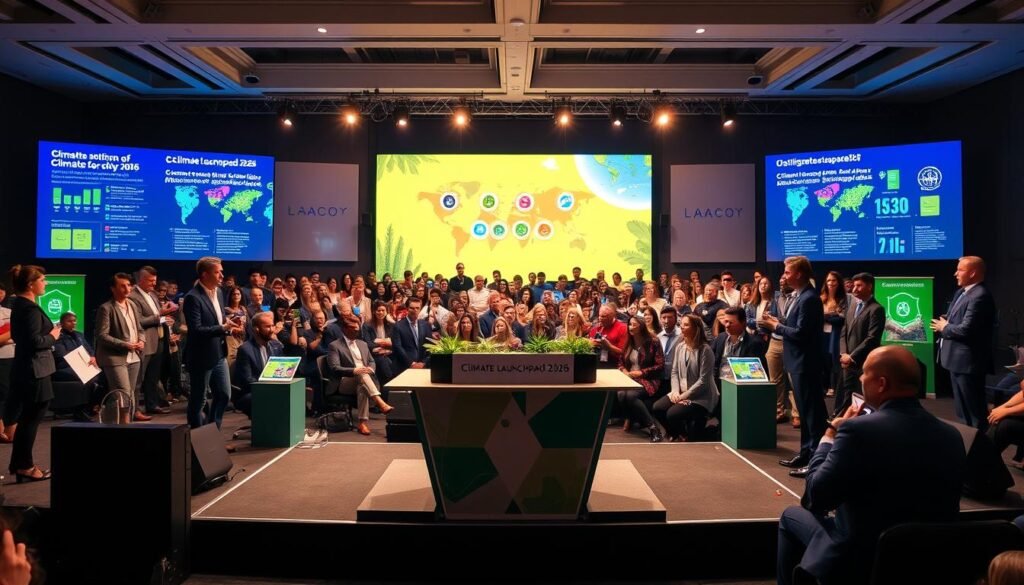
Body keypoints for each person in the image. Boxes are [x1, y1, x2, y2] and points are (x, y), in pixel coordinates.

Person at [776, 346, 966, 585]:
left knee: (790, 516)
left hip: (861, 556)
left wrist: (830, 435)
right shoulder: (952, 435)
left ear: (882, 383)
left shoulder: (856, 430)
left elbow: (815, 497)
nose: (860, 378)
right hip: (931, 559)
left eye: (864, 373)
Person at [762, 255, 827, 478]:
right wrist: (778, 323)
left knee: (812, 415)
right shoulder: (798, 296)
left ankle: (816, 461)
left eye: (788, 272)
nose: (784, 276)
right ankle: (806, 453)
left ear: (799, 274)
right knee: (807, 412)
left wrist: (776, 326)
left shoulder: (809, 298)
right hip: (796, 362)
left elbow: (801, 333)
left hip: (805, 363)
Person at [6, 265, 60, 482]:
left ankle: (20, 465)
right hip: (35, 371)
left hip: (31, 369)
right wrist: (54, 335)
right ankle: (25, 467)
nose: (45, 283)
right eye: (43, 279)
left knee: (29, 419)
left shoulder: (22, 305)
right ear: (31, 284)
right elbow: (34, 342)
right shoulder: (28, 309)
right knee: (30, 420)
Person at [931, 255, 997, 431]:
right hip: (956, 362)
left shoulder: (980, 296)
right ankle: (967, 444)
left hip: (969, 364)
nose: (955, 273)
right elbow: (954, 317)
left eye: (960, 270)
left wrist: (944, 327)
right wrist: (945, 320)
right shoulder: (962, 292)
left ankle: (980, 449)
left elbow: (966, 330)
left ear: (973, 273)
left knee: (974, 412)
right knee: (962, 411)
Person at [183, 256, 244, 429]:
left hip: (219, 353)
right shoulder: (193, 297)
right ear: (204, 274)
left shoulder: (218, 292)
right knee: (199, 400)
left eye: (221, 272)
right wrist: (222, 328)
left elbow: (219, 319)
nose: (221, 276)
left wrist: (229, 324)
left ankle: (213, 432)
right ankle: (195, 438)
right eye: (217, 272)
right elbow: (196, 330)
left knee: (224, 394)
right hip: (202, 357)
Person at [652, 313, 718, 441]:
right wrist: (676, 392)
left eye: (686, 325)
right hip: (681, 392)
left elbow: (703, 381)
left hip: (701, 397)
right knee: (657, 408)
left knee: (672, 414)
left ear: (696, 328)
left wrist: (683, 396)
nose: (682, 327)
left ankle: (685, 435)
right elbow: (675, 372)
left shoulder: (705, 350)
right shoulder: (680, 347)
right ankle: (678, 433)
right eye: (681, 324)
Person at [95, 272, 149, 422]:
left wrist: (142, 341)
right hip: (114, 357)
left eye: (129, 285)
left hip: (134, 356)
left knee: (130, 394)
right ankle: (117, 426)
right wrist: (125, 344)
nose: (127, 289)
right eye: (122, 286)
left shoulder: (131, 304)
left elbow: (139, 328)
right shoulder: (106, 308)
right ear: (113, 288)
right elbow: (102, 335)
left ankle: (124, 425)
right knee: (122, 393)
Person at [328, 314, 394, 435]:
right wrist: (354, 370)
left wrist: (370, 368)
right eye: (353, 328)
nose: (357, 330)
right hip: (344, 382)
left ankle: (363, 423)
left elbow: (371, 361)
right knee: (360, 373)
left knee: (362, 385)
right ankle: (380, 402)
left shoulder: (362, 344)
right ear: (345, 329)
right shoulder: (335, 345)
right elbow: (334, 368)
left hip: (363, 380)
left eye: (357, 327)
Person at [833, 272, 885, 417]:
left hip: (862, 362)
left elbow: (872, 338)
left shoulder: (876, 309)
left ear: (869, 287)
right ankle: (839, 420)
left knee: (859, 398)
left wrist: (852, 356)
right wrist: (843, 353)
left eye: (859, 285)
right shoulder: (852, 305)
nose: (854, 289)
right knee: (844, 395)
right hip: (846, 360)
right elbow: (844, 330)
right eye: (854, 285)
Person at [130, 265, 174, 416]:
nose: (154, 284)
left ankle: (151, 404)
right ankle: (134, 409)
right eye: (150, 281)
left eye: (155, 280)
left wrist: (164, 318)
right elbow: (138, 321)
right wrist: (160, 317)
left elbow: (157, 315)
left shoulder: (153, 295)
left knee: (153, 377)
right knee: (138, 379)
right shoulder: (133, 297)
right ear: (141, 280)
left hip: (158, 341)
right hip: (145, 342)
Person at [617, 315, 665, 442]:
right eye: (629, 324)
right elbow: (620, 363)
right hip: (630, 378)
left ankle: (653, 428)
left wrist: (641, 372)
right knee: (621, 394)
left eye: (634, 325)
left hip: (648, 379)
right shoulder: (628, 341)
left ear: (641, 327)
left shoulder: (653, 342)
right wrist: (625, 371)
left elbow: (660, 365)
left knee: (631, 396)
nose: (630, 327)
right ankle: (631, 418)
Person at [232, 311, 283, 418]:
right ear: (256, 329)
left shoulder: (276, 345)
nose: (272, 330)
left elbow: (280, 371)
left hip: (271, 389)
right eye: (267, 327)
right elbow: (247, 381)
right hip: (249, 393)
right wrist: (268, 387)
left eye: (273, 326)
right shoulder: (245, 350)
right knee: (272, 397)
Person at [51, 312, 99, 421]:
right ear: (62, 323)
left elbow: (89, 348)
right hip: (63, 367)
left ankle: (91, 407)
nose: (73, 323)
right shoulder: (57, 337)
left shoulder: (79, 335)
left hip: (83, 365)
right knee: (87, 378)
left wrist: (92, 356)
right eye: (70, 321)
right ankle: (80, 411)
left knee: (103, 376)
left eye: (75, 321)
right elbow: (61, 355)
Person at [711, 307, 767, 388]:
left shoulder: (754, 343)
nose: (727, 325)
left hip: (741, 388)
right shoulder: (720, 338)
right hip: (718, 386)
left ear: (743, 323)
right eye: (726, 321)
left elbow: (756, 375)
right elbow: (713, 363)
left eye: (731, 322)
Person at [820, 271, 848, 398]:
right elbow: (816, 317)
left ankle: (833, 386)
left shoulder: (843, 299)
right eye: (828, 280)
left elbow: (842, 319)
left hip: (836, 334)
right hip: (822, 334)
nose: (831, 283)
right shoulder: (821, 298)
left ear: (838, 282)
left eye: (833, 280)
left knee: (834, 360)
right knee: (824, 360)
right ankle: (824, 386)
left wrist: (827, 317)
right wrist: (832, 314)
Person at [391, 297, 431, 375]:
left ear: (420, 309)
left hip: (423, 367)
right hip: (404, 367)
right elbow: (398, 347)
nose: (415, 310)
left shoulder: (426, 325)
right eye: (412, 308)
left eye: (417, 308)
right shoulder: (398, 326)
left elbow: (430, 346)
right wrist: (412, 363)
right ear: (407, 309)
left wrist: (423, 363)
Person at [589, 304, 627, 369]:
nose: (600, 319)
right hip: (596, 362)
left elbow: (624, 353)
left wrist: (608, 346)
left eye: (604, 317)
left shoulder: (622, 328)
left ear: (612, 316)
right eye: (599, 316)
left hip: (615, 365)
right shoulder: (595, 329)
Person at [0, 292, 14, 441]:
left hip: (12, 356)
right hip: (1, 358)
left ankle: (8, 429)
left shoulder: (8, 312)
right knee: (2, 393)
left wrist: (7, 338)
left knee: (9, 393)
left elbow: (17, 334)